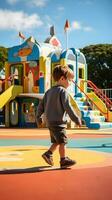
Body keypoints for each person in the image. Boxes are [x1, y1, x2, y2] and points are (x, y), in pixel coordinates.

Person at [36, 65, 82, 168]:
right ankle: (63, 160)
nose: (70, 84)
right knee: (63, 142)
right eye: (69, 80)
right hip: (59, 122)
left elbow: (40, 107)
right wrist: (76, 119)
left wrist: (38, 118)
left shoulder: (48, 92)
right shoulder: (63, 91)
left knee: (57, 141)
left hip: (50, 123)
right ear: (62, 78)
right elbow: (68, 107)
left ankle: (48, 154)